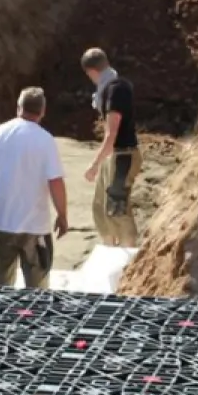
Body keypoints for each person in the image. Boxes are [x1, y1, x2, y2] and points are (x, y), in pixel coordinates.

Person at [0, 87, 68, 288]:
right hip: (34, 224)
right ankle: (34, 317)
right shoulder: (45, 140)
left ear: (19, 107)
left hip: (2, 220)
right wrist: (62, 215)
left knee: (1, 277)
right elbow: (55, 181)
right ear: (43, 111)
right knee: (37, 282)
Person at [81, 47, 142, 248]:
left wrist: (94, 164)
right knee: (100, 207)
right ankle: (109, 247)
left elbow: (111, 133)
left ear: (91, 72)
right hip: (114, 155)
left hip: (123, 155)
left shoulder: (115, 90)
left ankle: (129, 256)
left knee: (117, 209)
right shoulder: (112, 88)